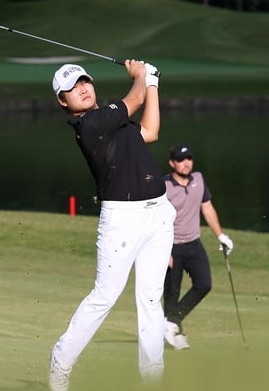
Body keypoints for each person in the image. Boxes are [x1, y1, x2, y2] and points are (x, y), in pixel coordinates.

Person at [47, 61, 176, 391]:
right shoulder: (90, 124)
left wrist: (153, 86)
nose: (82, 89)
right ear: (64, 101)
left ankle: (153, 379)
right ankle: (61, 360)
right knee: (104, 296)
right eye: (73, 88)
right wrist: (140, 78)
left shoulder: (114, 122)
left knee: (150, 299)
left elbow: (151, 132)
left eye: (84, 81)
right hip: (122, 219)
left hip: (158, 214)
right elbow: (132, 100)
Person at [162, 144, 234, 350]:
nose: (186, 164)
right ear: (172, 163)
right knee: (171, 292)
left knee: (204, 284)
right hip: (171, 246)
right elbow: (154, 218)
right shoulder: (163, 186)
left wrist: (220, 236)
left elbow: (207, 208)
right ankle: (176, 333)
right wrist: (163, 250)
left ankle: (172, 321)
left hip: (193, 243)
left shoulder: (199, 180)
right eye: (181, 160)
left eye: (189, 159)